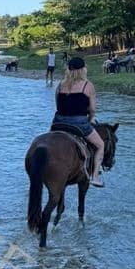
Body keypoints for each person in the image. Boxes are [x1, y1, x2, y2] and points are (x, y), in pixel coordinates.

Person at [52, 56, 105, 188]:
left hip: (58, 122)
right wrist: (89, 120)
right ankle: (95, 177)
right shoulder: (88, 86)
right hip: (79, 123)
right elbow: (92, 110)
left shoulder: (60, 85)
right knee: (100, 145)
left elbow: (57, 106)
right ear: (83, 70)